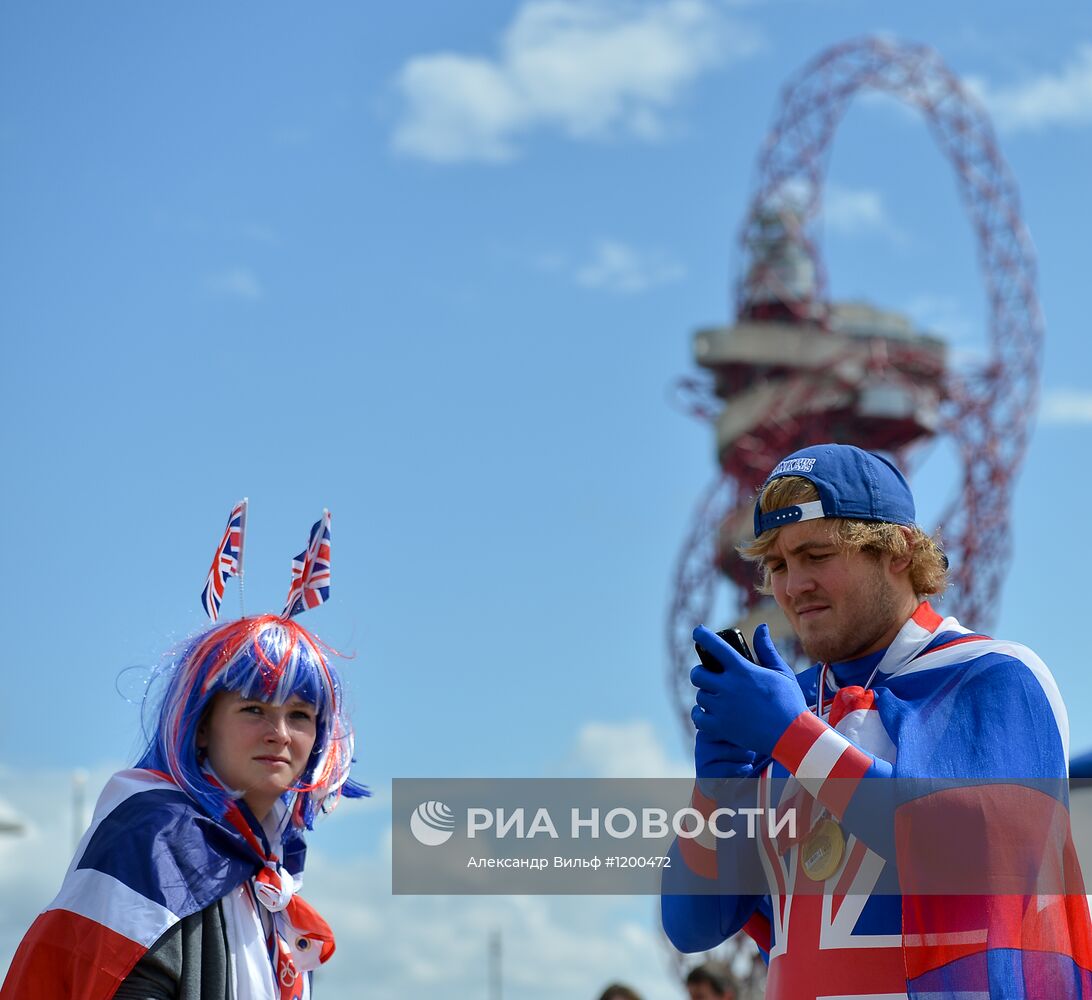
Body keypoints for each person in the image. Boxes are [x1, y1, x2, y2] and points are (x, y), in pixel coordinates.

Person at [661, 443, 1091, 998]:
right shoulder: (786, 709)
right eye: (778, 566)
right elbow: (691, 925)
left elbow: (973, 856)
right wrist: (715, 791)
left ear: (899, 552)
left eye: (816, 556)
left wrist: (793, 738)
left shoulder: (994, 674)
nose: (793, 587)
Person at [1, 612, 366, 1000]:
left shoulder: (272, 875)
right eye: (253, 709)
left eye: (299, 715)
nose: (279, 734)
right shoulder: (156, 832)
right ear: (203, 725)